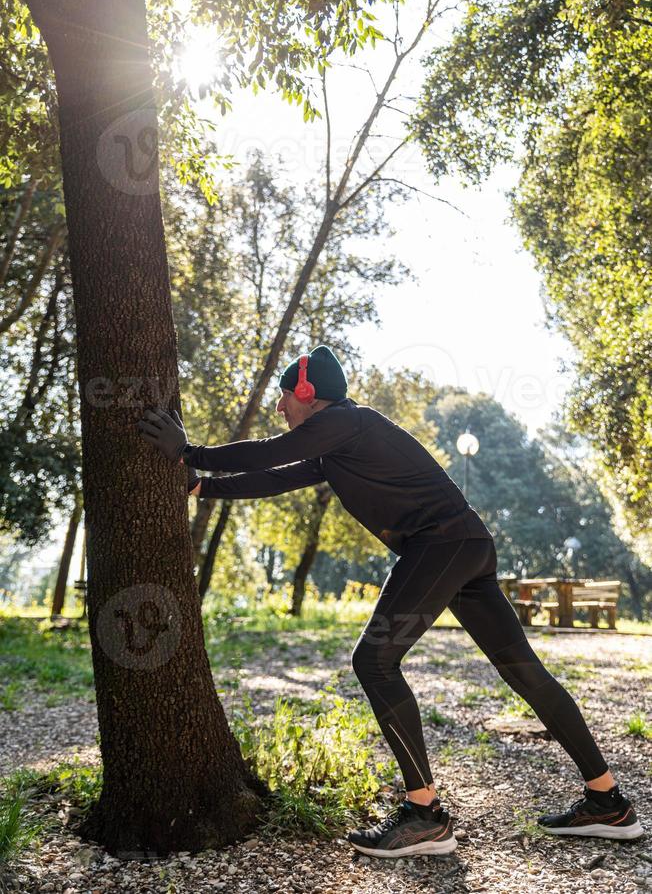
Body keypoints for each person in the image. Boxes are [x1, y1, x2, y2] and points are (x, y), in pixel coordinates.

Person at [137, 344, 644, 857]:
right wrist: (200, 486)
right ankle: (608, 802)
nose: (279, 406)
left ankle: (425, 815)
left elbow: (269, 452)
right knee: (521, 670)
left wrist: (188, 452)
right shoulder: (338, 444)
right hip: (465, 545)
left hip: (439, 544)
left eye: (284, 395)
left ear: (309, 394)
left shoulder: (348, 422)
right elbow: (276, 477)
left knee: (374, 662)